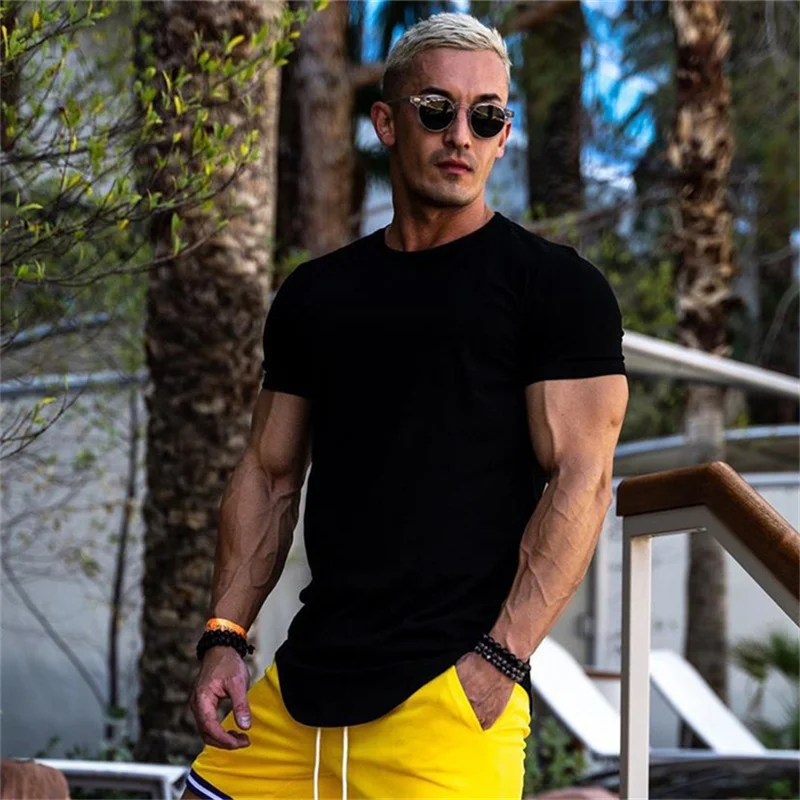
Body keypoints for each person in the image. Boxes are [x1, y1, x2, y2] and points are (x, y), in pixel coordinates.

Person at [183, 11, 629, 800]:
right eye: (436, 110)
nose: (461, 134)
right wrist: (225, 635)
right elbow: (270, 474)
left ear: (503, 136)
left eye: (485, 117)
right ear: (387, 123)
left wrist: (499, 660)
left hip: (446, 704)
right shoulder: (317, 296)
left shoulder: (558, 290)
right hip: (299, 694)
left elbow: (582, 481)